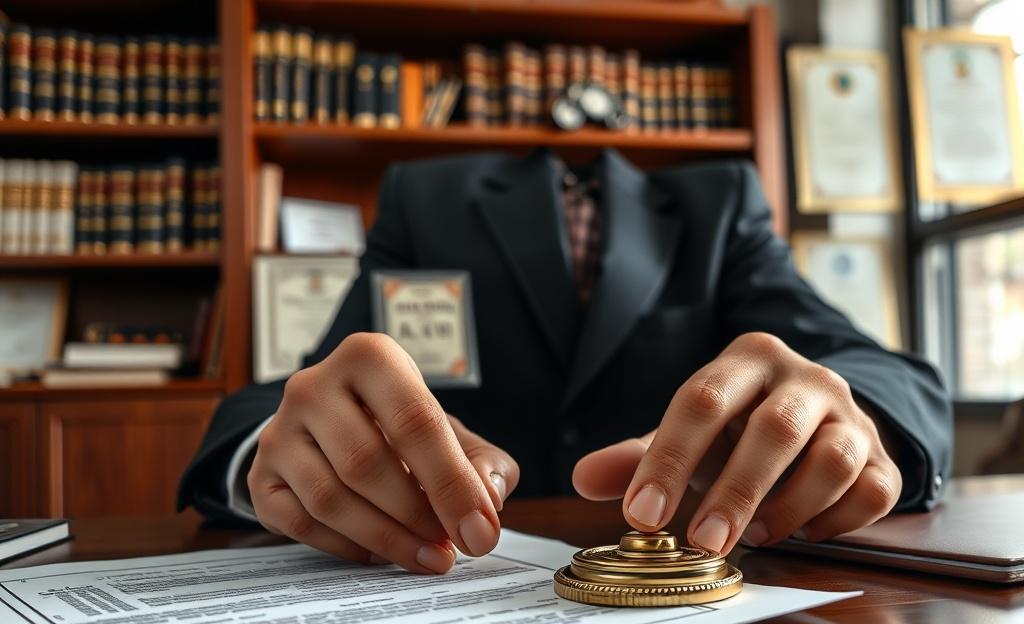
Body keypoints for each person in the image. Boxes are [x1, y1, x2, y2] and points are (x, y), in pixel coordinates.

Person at [178, 148, 951, 575]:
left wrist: (853, 427)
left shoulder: (722, 202)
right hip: (452, 589)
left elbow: (883, 371)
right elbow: (292, 395)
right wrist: (281, 450)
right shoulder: (424, 198)